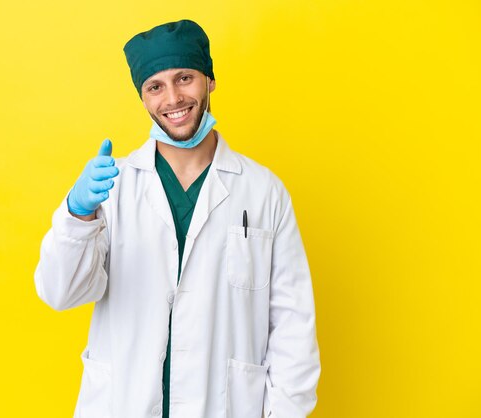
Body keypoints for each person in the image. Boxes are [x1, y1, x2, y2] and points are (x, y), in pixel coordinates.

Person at [35, 19, 320, 418]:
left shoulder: (263, 192)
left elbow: (293, 326)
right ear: (143, 98)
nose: (173, 97)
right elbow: (60, 292)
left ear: (209, 81)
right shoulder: (112, 188)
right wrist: (78, 215)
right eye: (155, 86)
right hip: (123, 404)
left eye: (184, 78)